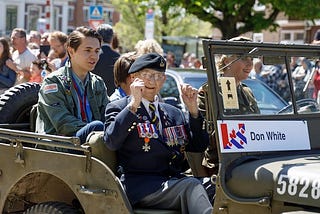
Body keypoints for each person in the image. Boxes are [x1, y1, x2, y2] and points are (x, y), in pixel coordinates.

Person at [104, 53, 213, 213]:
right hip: (141, 186)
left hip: (173, 180)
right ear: (134, 78)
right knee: (191, 186)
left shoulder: (173, 112)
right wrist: (134, 105)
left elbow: (198, 146)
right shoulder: (120, 108)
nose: (153, 81)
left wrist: (194, 111)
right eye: (147, 75)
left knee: (218, 187)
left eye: (159, 76)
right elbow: (111, 141)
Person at [193, 36, 260, 177]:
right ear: (226, 61)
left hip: (250, 158)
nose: (249, 64)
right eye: (243, 58)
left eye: (251, 59)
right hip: (222, 164)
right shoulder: (210, 91)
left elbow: (258, 124)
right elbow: (206, 134)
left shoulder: (247, 92)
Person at [36, 26, 109, 145]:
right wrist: (94, 130)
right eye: (88, 50)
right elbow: (63, 123)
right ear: (71, 51)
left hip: (92, 142)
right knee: (97, 126)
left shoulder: (97, 82)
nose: (94, 56)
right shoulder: (53, 82)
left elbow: (107, 115)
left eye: (97, 51)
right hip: (62, 144)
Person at [92, 24, 120, 96]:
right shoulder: (118, 57)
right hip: (113, 97)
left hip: (95, 96)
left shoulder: (93, 56)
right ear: (112, 38)